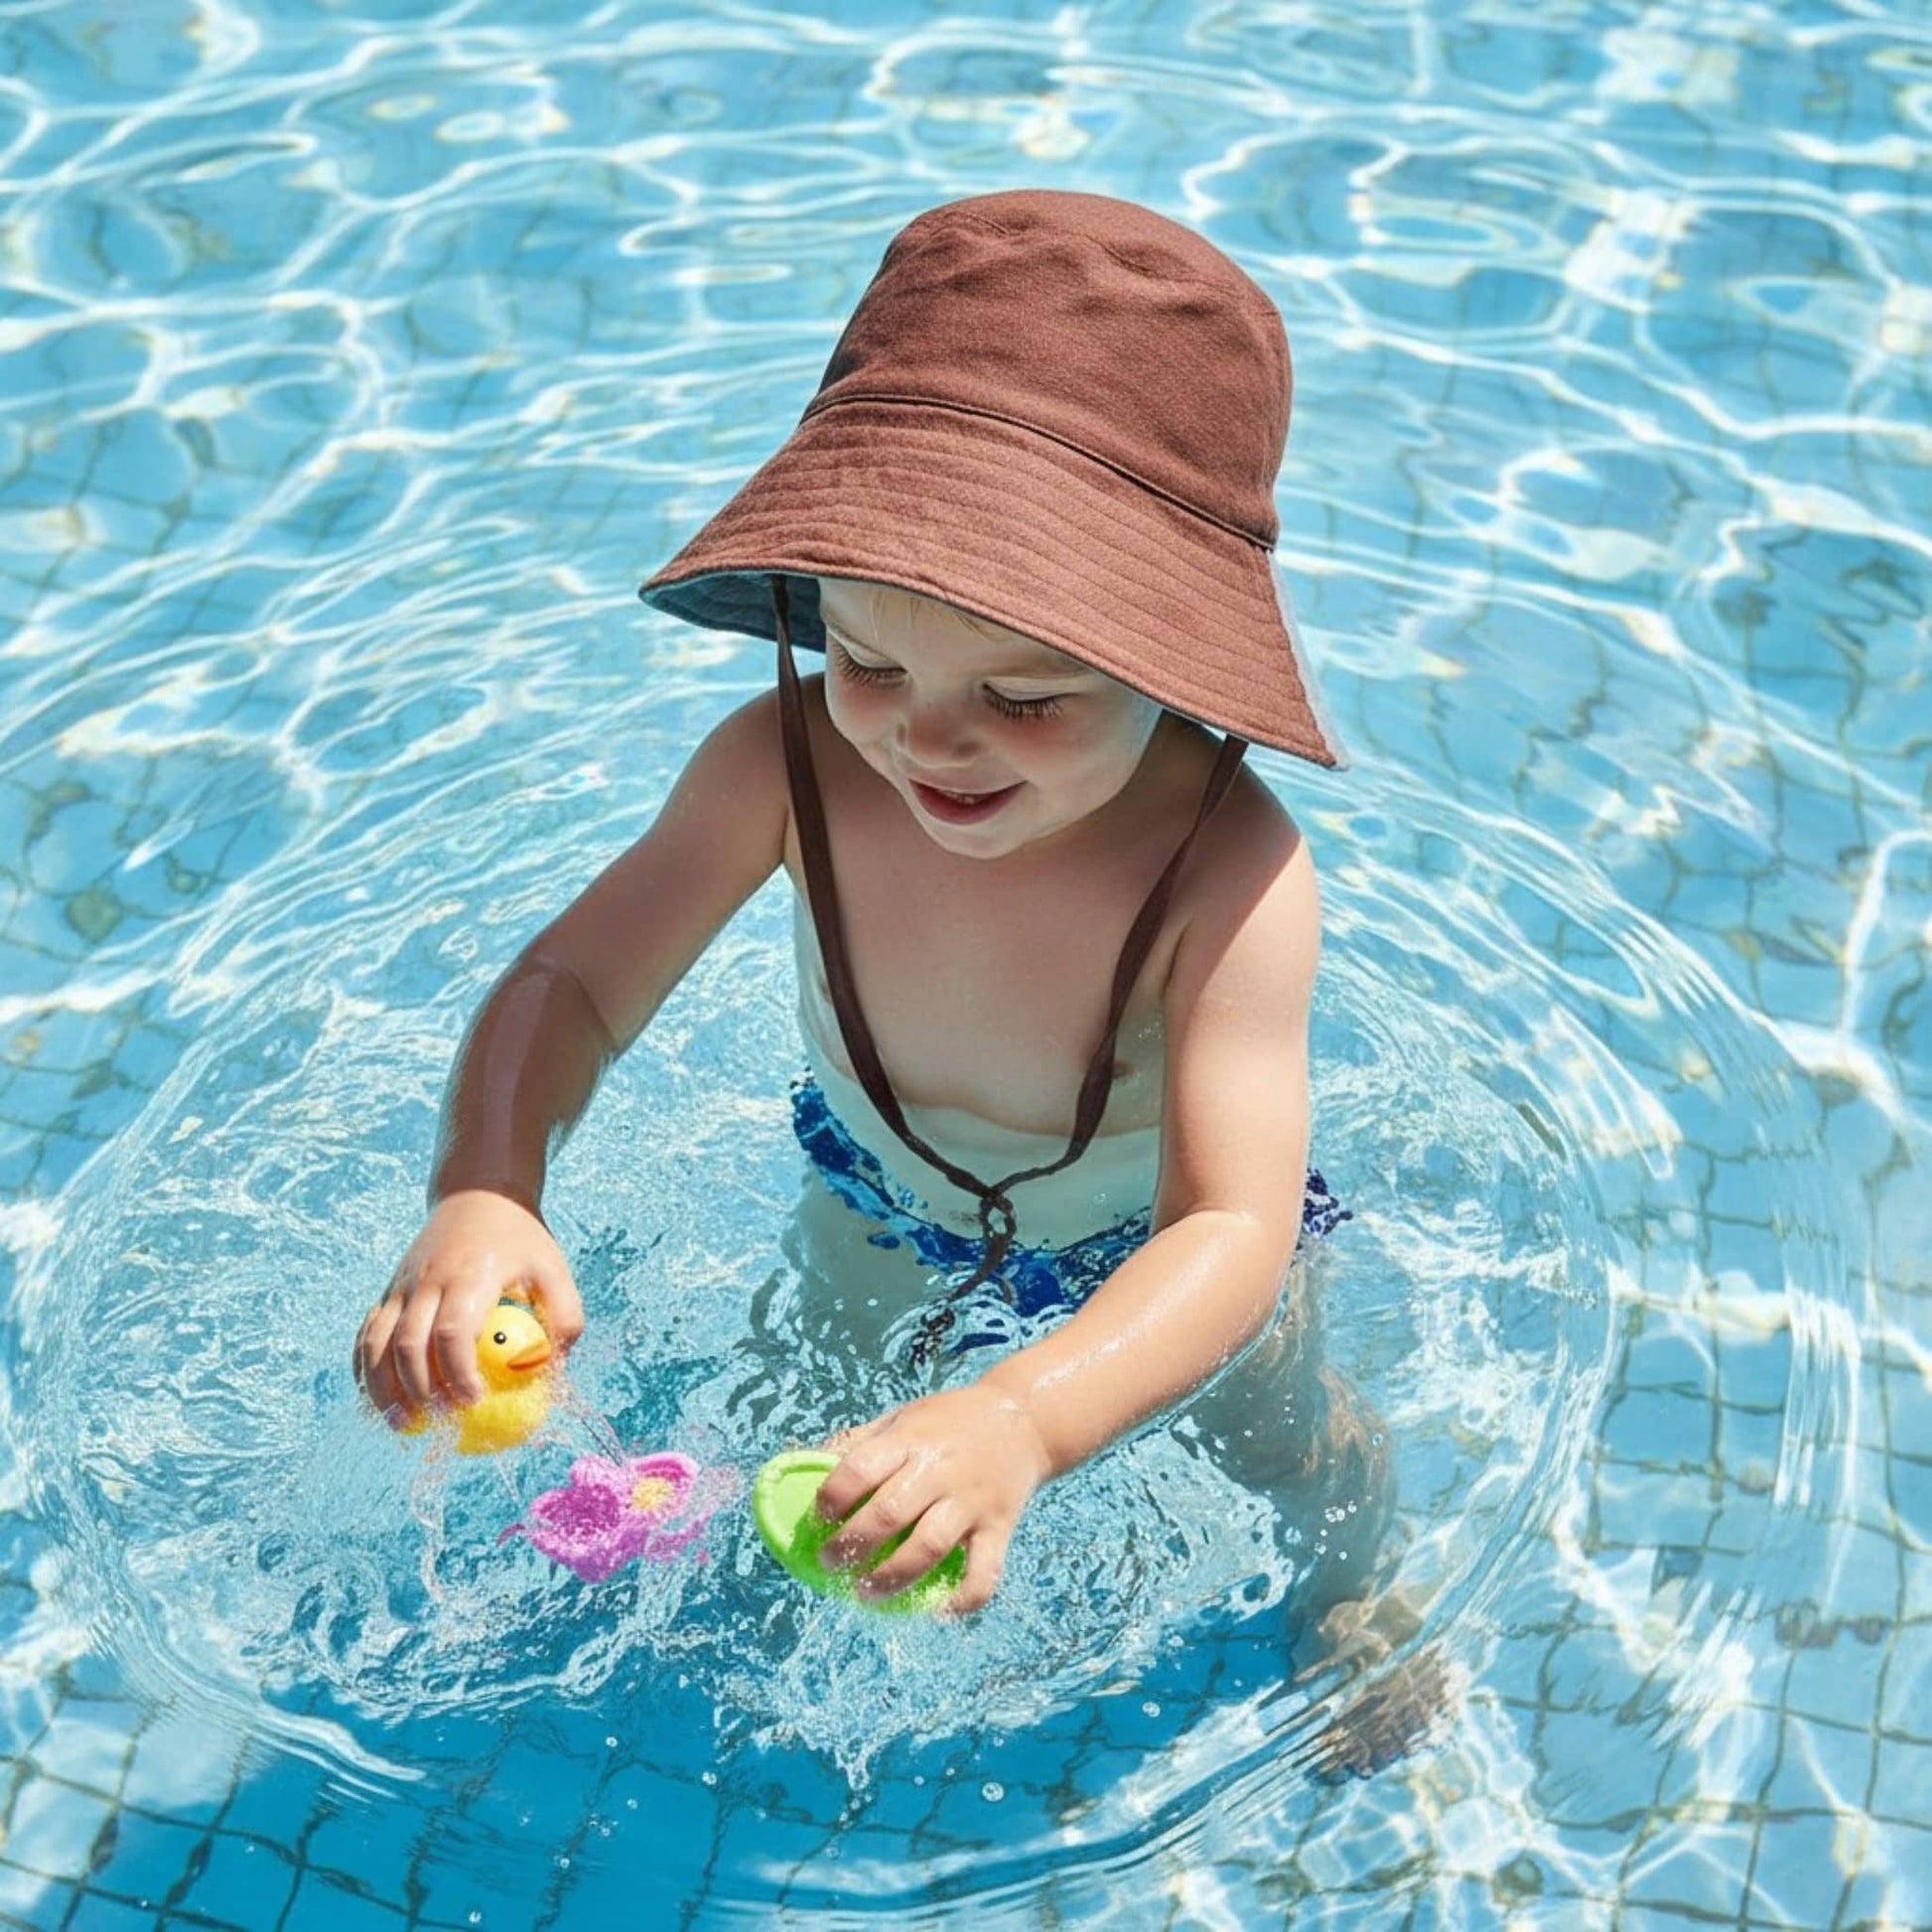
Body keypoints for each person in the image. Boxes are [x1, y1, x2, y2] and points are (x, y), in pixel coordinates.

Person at [353, 189, 1389, 1625]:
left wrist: (1022, 1417)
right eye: (867, 660)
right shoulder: (777, 768)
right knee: (819, 1438)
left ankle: (1358, 1597)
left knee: (1281, 1442)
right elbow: (575, 985)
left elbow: (1223, 1225)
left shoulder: (1227, 875)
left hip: (1142, 1265)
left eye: (1023, 698)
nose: (926, 740)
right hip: (872, 1188)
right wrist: (485, 1184)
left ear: (1176, 670)